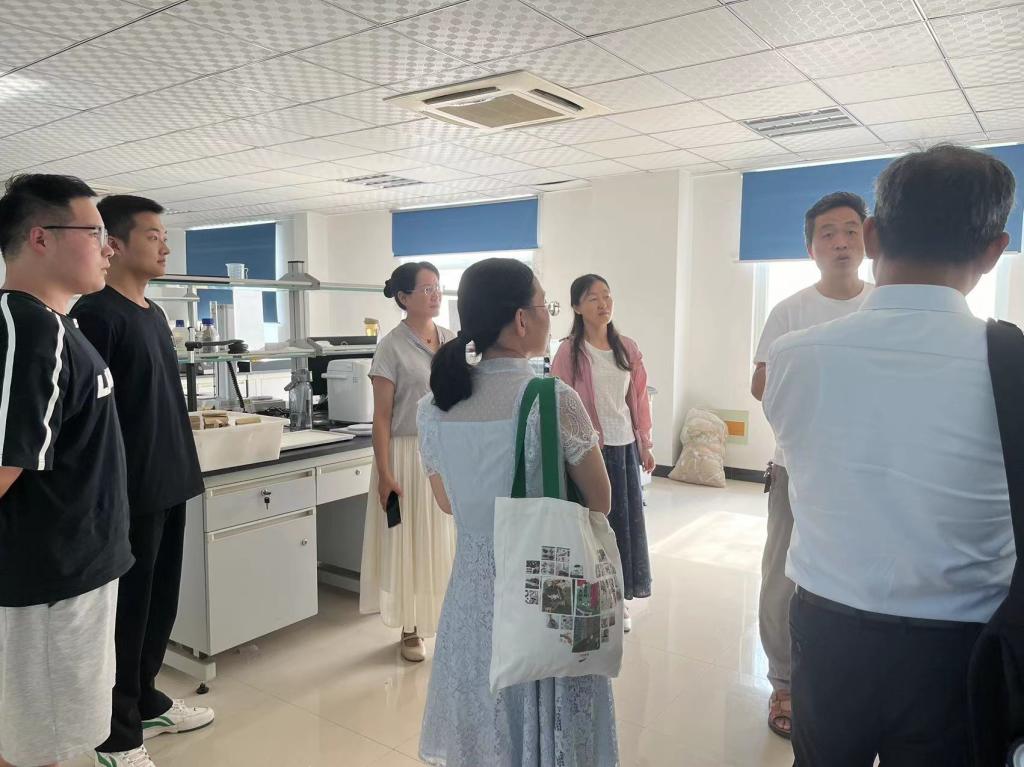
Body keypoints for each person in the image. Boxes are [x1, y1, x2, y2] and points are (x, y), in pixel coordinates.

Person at [763, 144, 1015, 766]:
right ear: (993, 251)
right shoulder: (1010, 363)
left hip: (827, 631)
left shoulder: (795, 356)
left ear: (872, 236)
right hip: (959, 648)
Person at [417, 257, 617, 766]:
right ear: (522, 320)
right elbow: (601, 501)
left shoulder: (434, 406)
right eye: (545, 304)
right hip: (546, 582)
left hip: (472, 595)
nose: (550, 315)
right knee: (546, 706)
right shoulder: (552, 398)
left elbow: (446, 502)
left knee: (484, 714)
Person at [71, 195, 214, 767]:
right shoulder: (96, 315)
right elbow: (89, 416)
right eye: (153, 236)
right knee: (126, 613)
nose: (165, 246)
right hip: (128, 491)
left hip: (170, 480)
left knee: (159, 604)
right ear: (115, 243)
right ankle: (116, 734)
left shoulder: (152, 314)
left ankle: (147, 697)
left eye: (164, 236)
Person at [0, 175, 133, 767]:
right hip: (48, 580)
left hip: (72, 571)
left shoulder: (56, 326)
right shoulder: (27, 329)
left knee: (42, 738)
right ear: (40, 238)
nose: (109, 248)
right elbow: (6, 459)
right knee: (38, 745)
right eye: (96, 233)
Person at [750, 191, 873, 738]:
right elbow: (760, 383)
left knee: (858, 574)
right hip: (795, 467)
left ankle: (848, 678)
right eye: (828, 233)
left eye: (851, 230)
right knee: (782, 576)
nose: (841, 242)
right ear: (811, 248)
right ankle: (784, 683)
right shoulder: (790, 311)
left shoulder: (883, 304)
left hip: (866, 469)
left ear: (868, 240)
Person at [359, 261, 456, 662]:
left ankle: (446, 620)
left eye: (438, 287)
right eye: (426, 289)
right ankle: (410, 627)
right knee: (411, 541)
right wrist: (385, 474)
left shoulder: (451, 341)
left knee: (445, 540)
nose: (435, 295)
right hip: (406, 454)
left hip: (446, 451)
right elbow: (381, 417)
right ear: (403, 297)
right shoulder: (391, 347)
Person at [550, 274, 654, 633]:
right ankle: (591, 595)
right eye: (593, 298)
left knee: (623, 528)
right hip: (589, 451)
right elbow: (559, 402)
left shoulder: (626, 347)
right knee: (592, 527)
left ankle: (618, 598)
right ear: (577, 307)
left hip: (623, 448)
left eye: (607, 296)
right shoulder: (569, 352)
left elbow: (638, 398)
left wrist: (645, 443)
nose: (603, 304)